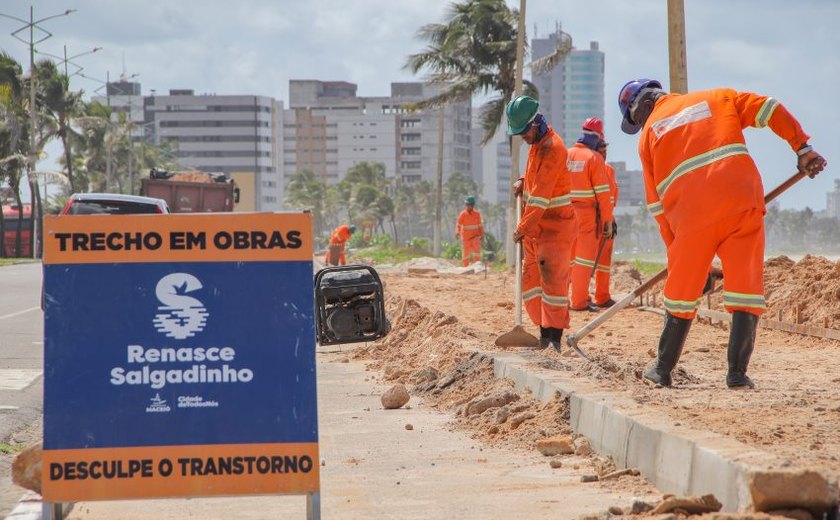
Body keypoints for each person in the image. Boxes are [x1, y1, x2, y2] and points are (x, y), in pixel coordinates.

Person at [618, 78, 827, 389]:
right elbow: (769, 108)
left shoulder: (648, 134)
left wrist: (679, 254)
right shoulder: (718, 97)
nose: (642, 123)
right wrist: (802, 146)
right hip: (742, 198)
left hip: (690, 215)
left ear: (647, 106)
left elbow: (657, 206)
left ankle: (661, 370)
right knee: (746, 288)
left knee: (681, 294)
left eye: (637, 118)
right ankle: (737, 375)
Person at [508, 95, 577, 351]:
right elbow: (536, 175)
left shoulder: (555, 148)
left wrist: (521, 229)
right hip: (535, 228)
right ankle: (541, 333)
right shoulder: (537, 145)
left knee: (554, 286)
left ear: (536, 123)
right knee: (531, 283)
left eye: (524, 132)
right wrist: (523, 180)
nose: (523, 137)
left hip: (555, 227)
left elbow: (540, 197)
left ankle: (553, 340)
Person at [567, 117, 615, 312]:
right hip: (587, 216)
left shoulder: (566, 154)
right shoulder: (593, 159)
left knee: (569, 260)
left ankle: (568, 299)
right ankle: (579, 302)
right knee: (585, 260)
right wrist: (607, 222)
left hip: (566, 214)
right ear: (597, 138)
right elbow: (604, 196)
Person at [594, 139, 618, 308]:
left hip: (607, 219)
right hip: (591, 220)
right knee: (580, 262)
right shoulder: (591, 167)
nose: (604, 153)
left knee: (604, 261)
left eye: (605, 150)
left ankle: (602, 296)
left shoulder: (609, 170)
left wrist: (610, 220)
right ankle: (578, 297)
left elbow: (612, 198)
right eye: (601, 150)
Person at [455, 195, 484, 267]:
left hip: (475, 237)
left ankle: (476, 267)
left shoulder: (477, 214)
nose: (468, 206)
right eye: (467, 205)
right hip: (466, 238)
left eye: (469, 205)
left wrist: (482, 234)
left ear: (473, 205)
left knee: (476, 253)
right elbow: (458, 225)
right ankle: (466, 267)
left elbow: (480, 225)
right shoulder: (463, 214)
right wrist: (457, 232)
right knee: (465, 254)